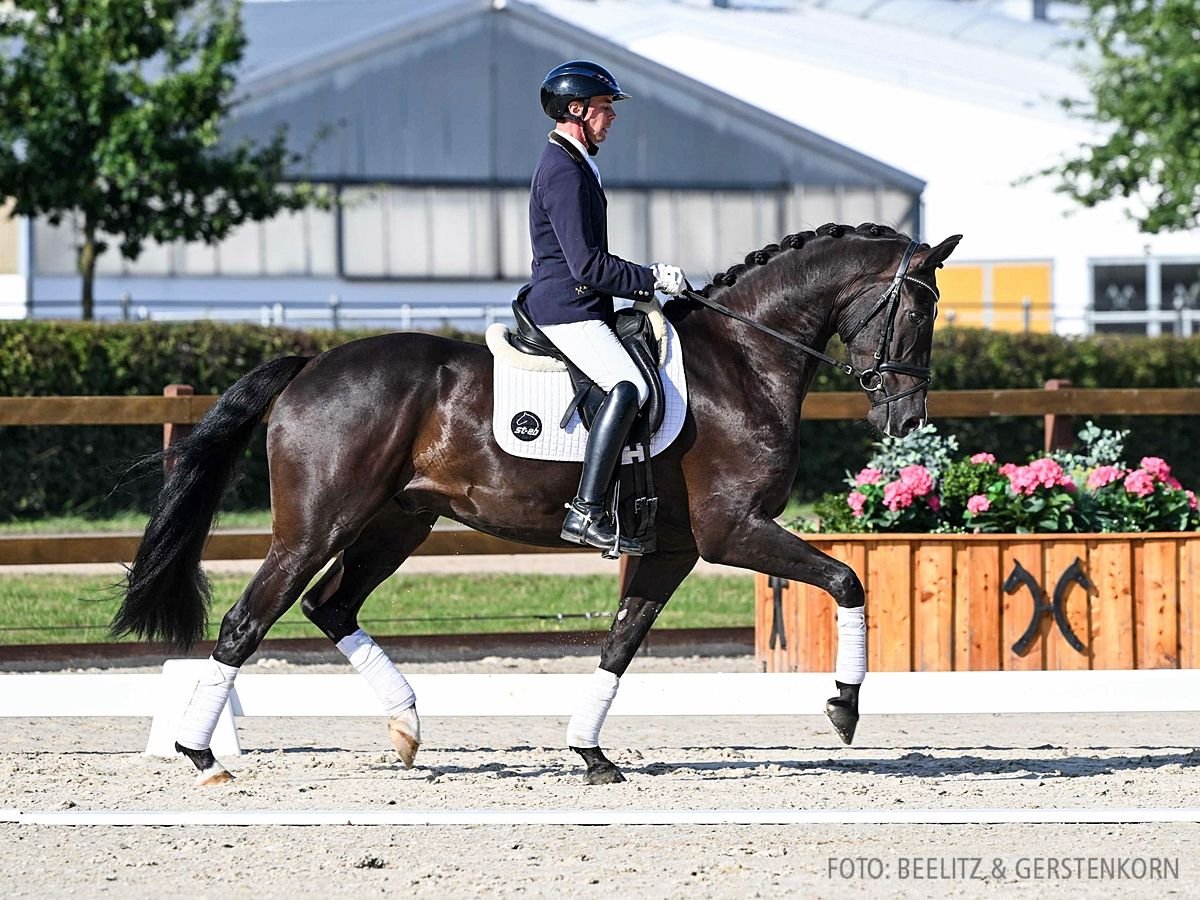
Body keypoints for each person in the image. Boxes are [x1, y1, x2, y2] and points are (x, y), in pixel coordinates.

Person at [524, 60, 687, 556]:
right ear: (576, 110)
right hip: (567, 307)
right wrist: (650, 277)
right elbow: (589, 266)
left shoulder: (574, 162)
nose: (611, 117)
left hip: (577, 302)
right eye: (604, 108)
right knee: (630, 385)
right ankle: (586, 510)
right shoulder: (563, 172)